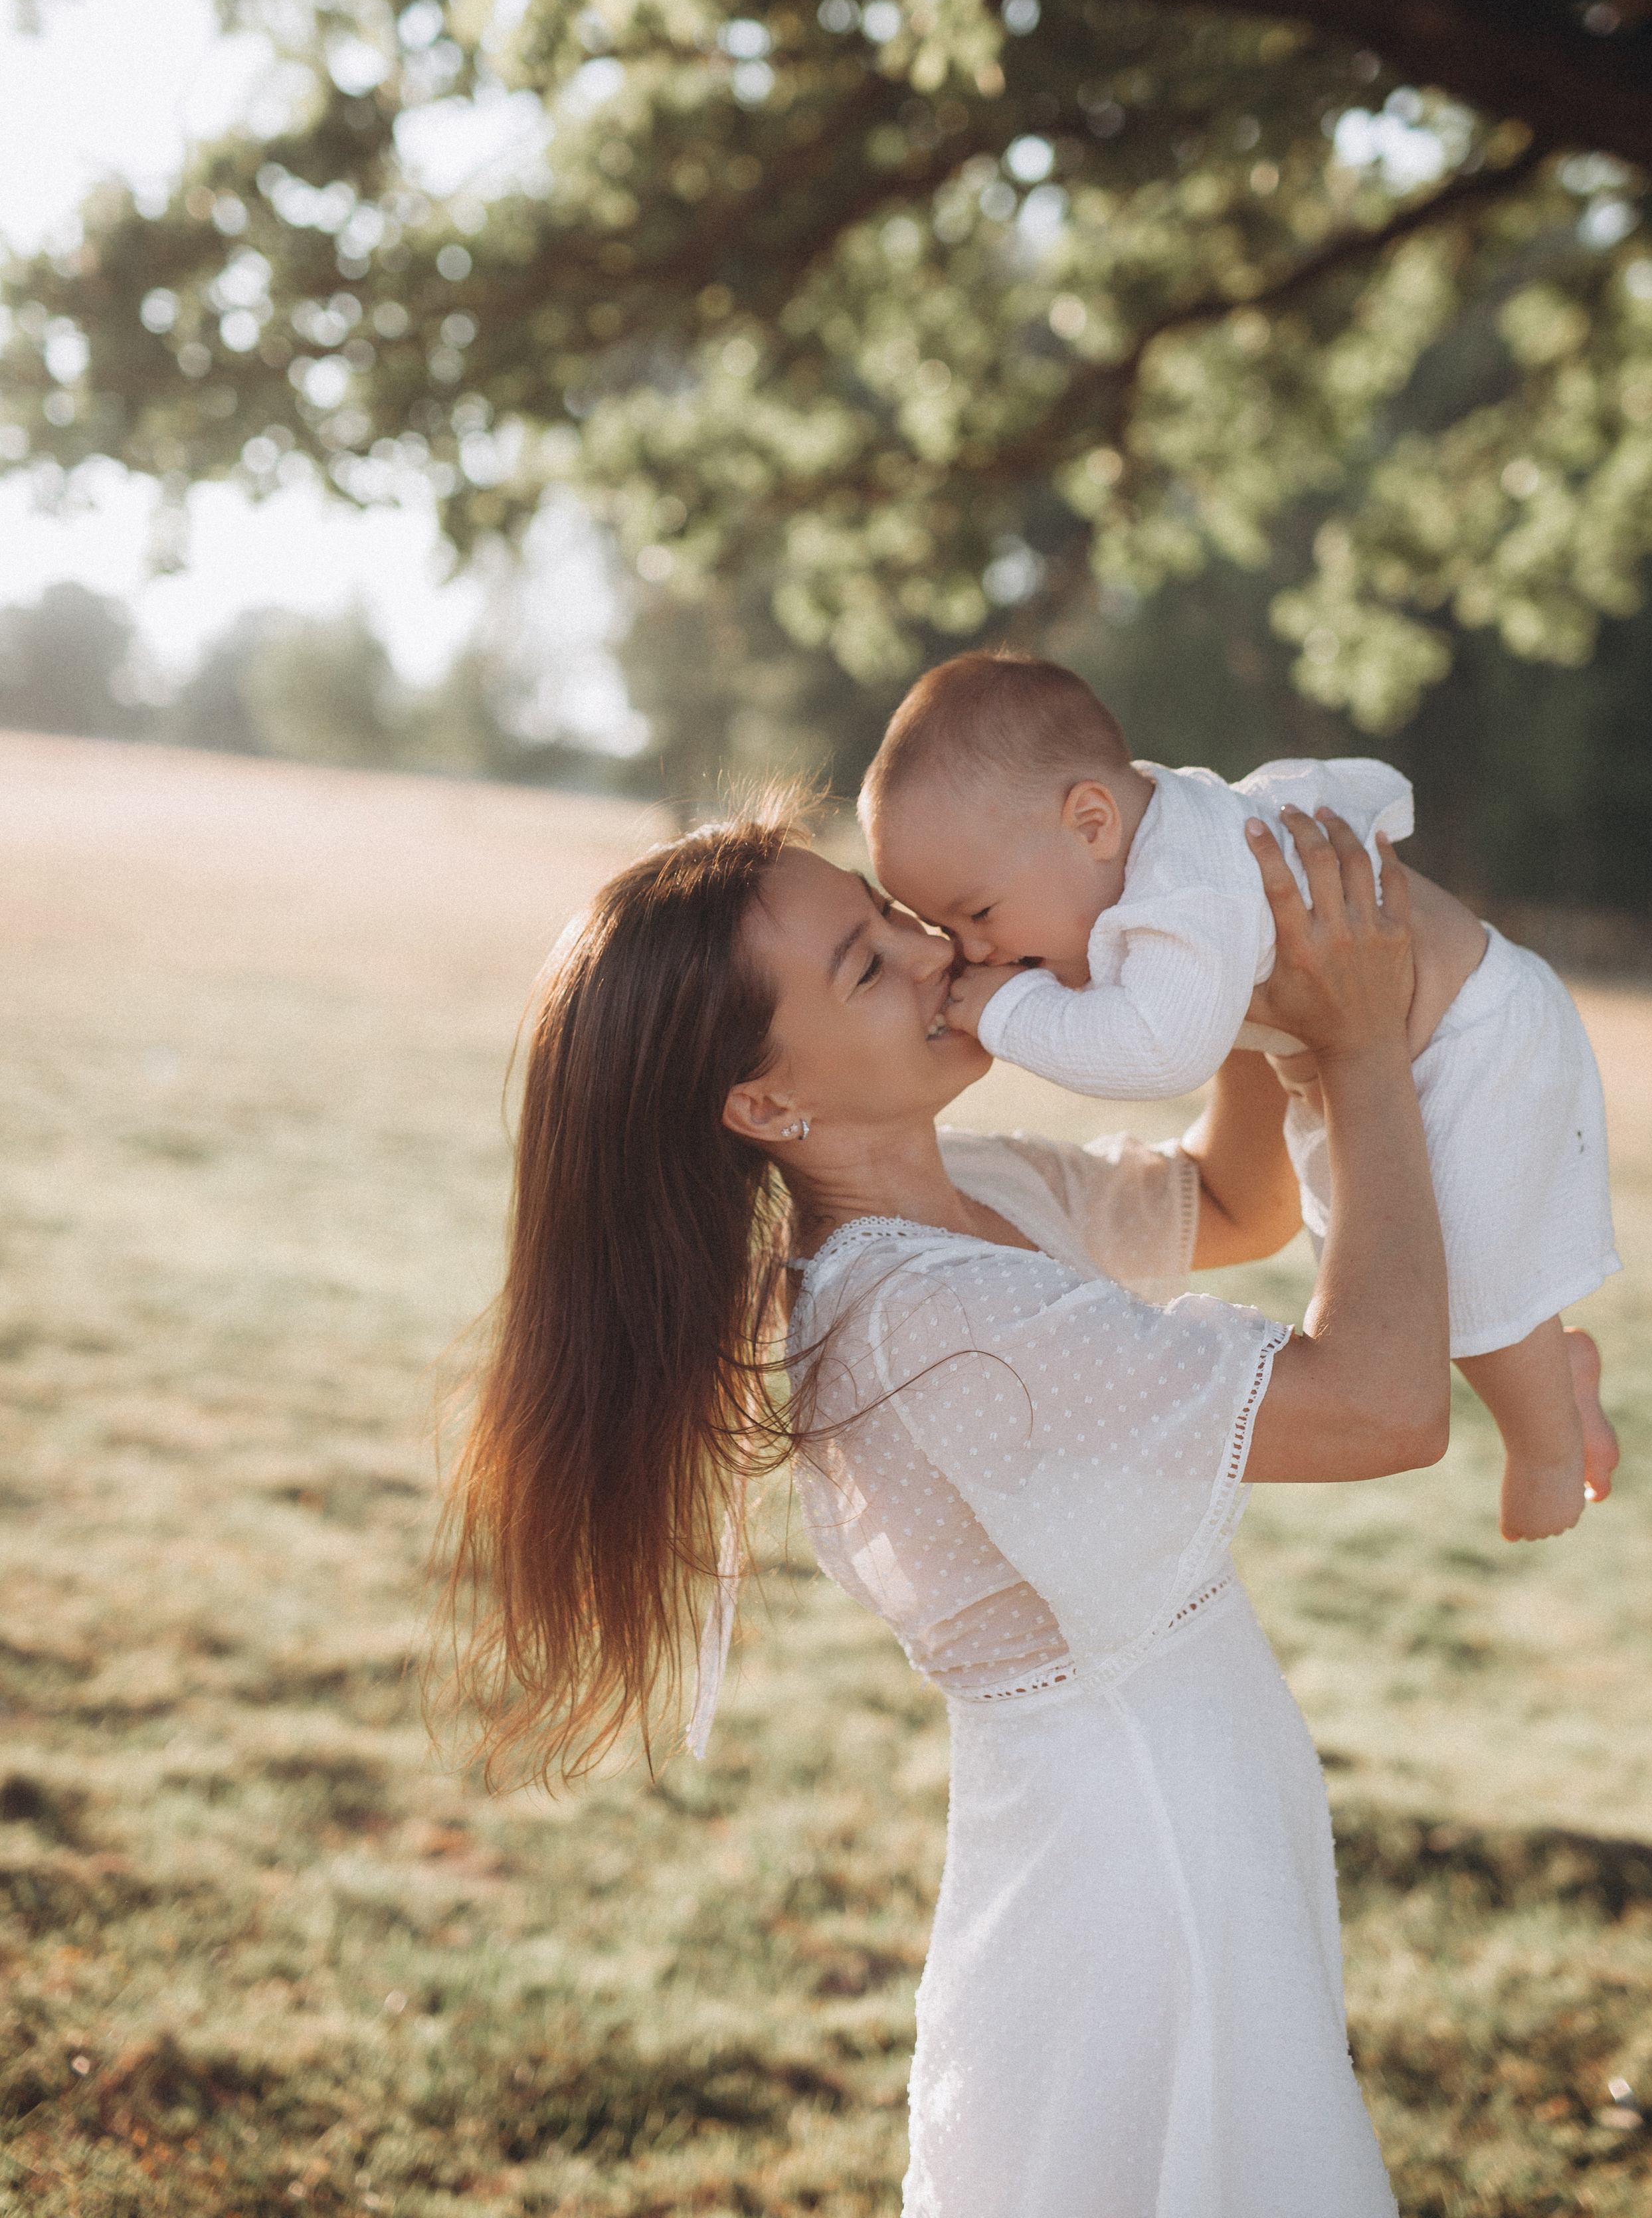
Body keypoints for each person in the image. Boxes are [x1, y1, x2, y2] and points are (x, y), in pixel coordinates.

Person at [442, 785, 1453, 2216]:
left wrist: (1211, 941)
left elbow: (1233, 1207)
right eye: (866, 961)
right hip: (1134, 1872)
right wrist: (1354, 1050)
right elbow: (1385, 1404)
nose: (935, 957)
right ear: (763, 1103)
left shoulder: (965, 1203)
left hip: (1182, 1818)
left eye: (894, 921)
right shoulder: (922, 1319)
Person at [860, 652, 1621, 1543]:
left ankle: (1547, 1449)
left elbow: (1157, 1053)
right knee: (1418, 1266)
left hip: (1470, 1037)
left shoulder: (1185, 888)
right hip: (1393, 1052)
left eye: (978, 915)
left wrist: (1010, 1009)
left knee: (1470, 1259)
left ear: (1092, 822)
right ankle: (1551, 1371)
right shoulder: (1140, 847)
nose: (972, 953)